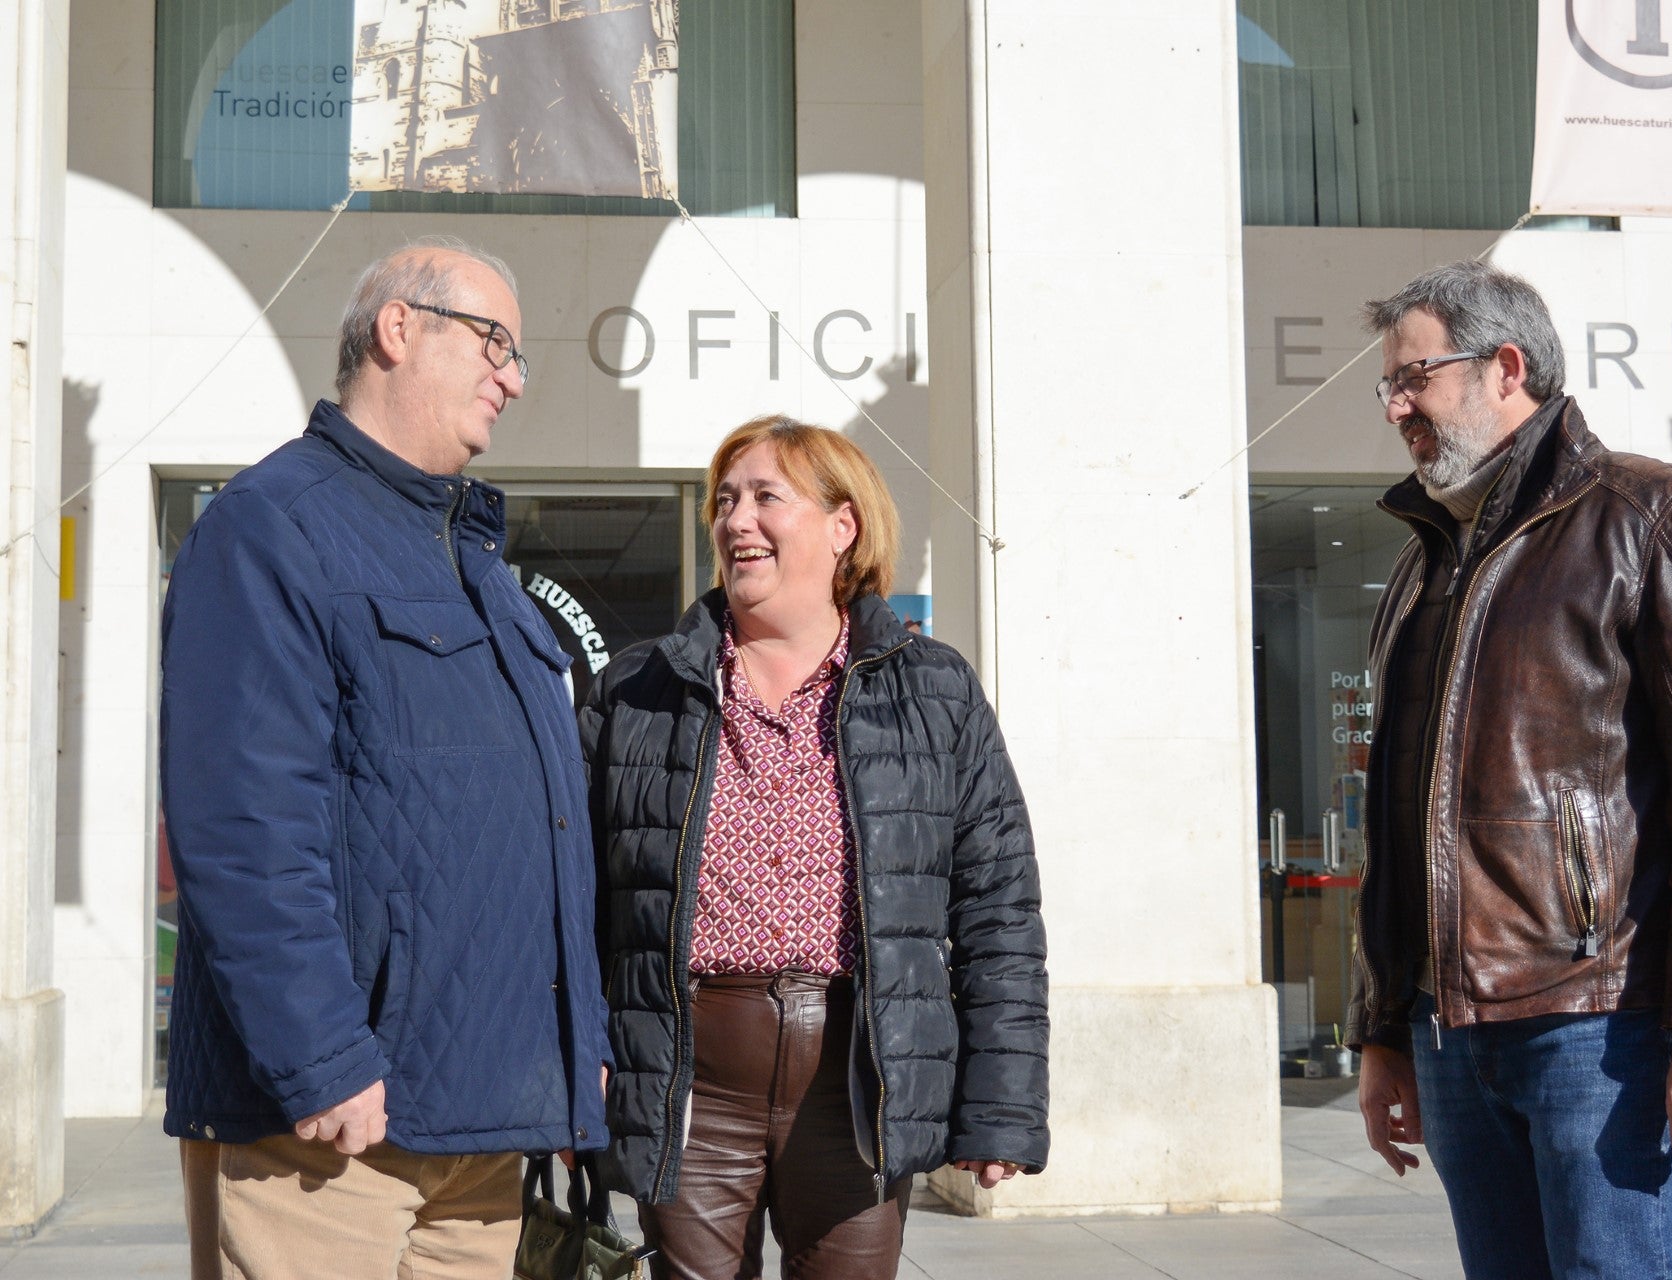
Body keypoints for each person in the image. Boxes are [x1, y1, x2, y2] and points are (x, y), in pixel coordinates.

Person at [159, 238, 611, 1279]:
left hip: (483, 1126)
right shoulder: (272, 526)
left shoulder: (478, 565)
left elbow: (538, 832)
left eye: (519, 357)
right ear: (399, 328)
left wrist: (566, 1048)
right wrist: (319, 1056)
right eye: (497, 342)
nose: (514, 377)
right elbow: (243, 820)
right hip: (329, 1129)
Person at [1347, 261, 1672, 1278]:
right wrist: (1385, 1026)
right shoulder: (1427, 561)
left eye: (1413, 377)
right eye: (1391, 385)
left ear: (1507, 366)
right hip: (1450, 1032)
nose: (1397, 406)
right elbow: (1395, 817)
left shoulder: (1650, 517)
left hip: (1599, 1026)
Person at [581, 415, 1049, 1280]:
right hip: (690, 1085)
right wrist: (579, 1061)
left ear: (844, 527)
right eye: (724, 500)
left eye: (766, 497)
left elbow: (999, 908)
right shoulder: (638, 691)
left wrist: (1002, 1108)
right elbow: (569, 896)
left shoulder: (933, 689)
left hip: (856, 1090)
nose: (735, 520)